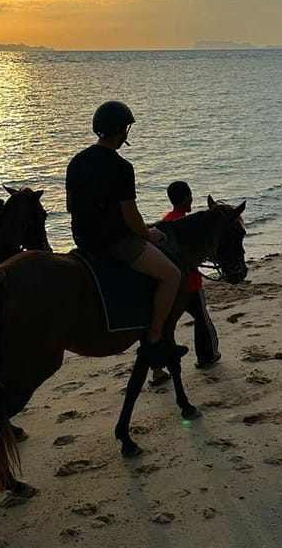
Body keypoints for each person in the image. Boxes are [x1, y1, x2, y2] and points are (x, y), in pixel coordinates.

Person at [65, 101, 183, 364]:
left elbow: (70, 206)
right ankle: (154, 338)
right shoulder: (121, 167)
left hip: (82, 240)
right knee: (171, 276)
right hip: (113, 242)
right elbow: (131, 216)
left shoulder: (76, 161)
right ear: (122, 131)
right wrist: (148, 234)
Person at [150, 181, 221, 386]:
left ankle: (157, 369)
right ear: (184, 198)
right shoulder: (188, 225)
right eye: (189, 196)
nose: (191, 200)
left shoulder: (165, 223)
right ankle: (207, 356)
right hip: (189, 283)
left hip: (169, 287)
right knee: (202, 319)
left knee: (164, 326)